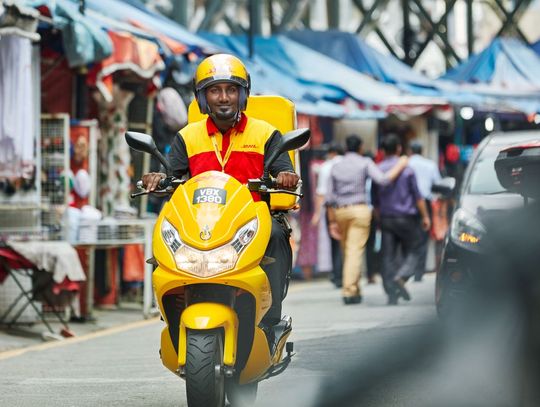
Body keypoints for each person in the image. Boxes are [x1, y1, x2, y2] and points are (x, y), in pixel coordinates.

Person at [141, 54, 300, 332]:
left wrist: (286, 177)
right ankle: (172, 310)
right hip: (200, 224)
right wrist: (158, 179)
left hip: (251, 221)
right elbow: (172, 177)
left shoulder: (266, 134)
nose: (224, 97)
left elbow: (284, 169)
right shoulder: (187, 136)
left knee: (276, 235)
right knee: (163, 237)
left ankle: (271, 316)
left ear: (243, 95)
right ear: (202, 97)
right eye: (215, 90)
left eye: (231, 90)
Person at [326, 135, 408, 305]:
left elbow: (329, 196)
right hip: (359, 210)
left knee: (347, 251)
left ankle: (354, 289)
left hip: (340, 211)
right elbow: (383, 180)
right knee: (354, 251)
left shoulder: (336, 166)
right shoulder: (365, 163)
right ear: (361, 147)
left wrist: (332, 221)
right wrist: (400, 165)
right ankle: (349, 290)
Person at [371, 134, 431, 305]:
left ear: (383, 150)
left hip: (386, 217)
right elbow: (417, 196)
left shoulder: (378, 169)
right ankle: (403, 276)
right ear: (398, 148)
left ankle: (391, 292)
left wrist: (379, 220)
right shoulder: (407, 170)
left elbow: (374, 200)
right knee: (417, 247)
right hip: (406, 218)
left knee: (388, 256)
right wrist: (425, 216)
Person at [407, 141, 441, 281]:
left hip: (406, 203)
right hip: (425, 203)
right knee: (422, 239)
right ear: (421, 150)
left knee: (407, 237)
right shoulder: (430, 164)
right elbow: (437, 185)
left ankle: (406, 271)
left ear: (410, 151)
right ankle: (418, 273)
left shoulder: (405, 164)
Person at [311, 143, 344, 287]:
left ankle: (337, 275)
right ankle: (347, 273)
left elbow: (321, 193)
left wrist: (317, 214)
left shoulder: (325, 167)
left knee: (335, 242)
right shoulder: (348, 164)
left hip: (331, 209)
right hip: (348, 207)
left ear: (332, 152)